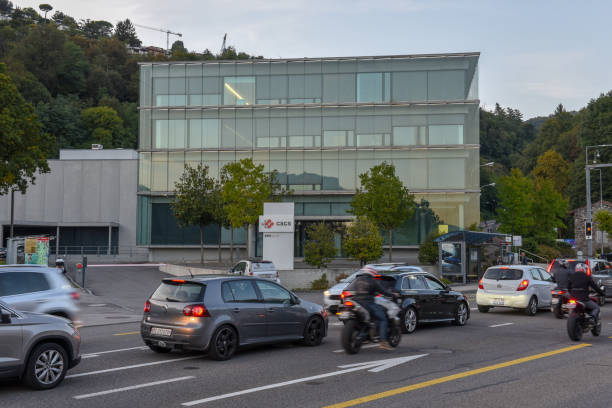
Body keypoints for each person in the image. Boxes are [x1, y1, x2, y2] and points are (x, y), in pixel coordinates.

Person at [351, 268, 395, 350]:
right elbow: (383, 291)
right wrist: (392, 295)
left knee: (365, 321)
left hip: (356, 302)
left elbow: (352, 290)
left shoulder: (357, 280)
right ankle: (383, 342)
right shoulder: (372, 281)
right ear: (372, 272)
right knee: (382, 318)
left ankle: (365, 337)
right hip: (367, 303)